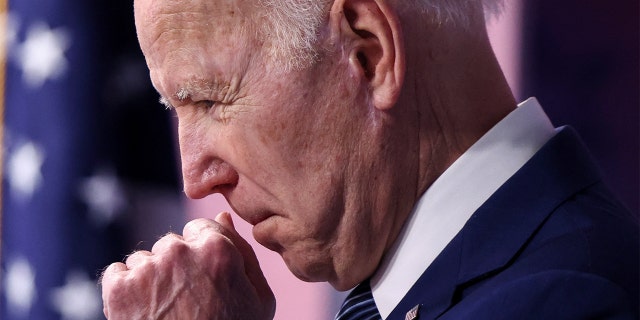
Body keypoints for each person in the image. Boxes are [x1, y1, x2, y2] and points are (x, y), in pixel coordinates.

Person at [101, 0, 639, 319]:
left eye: (210, 99)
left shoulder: (566, 303)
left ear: (368, 52)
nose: (194, 177)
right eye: (174, 108)